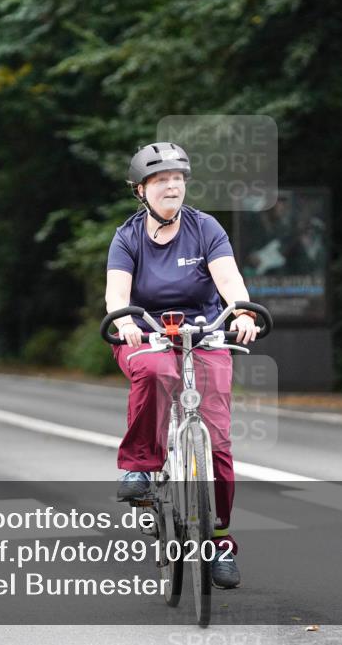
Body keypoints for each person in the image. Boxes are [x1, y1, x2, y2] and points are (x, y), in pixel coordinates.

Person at [105, 142, 259, 589]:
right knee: (158, 372)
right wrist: (127, 321)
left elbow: (229, 280)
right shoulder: (127, 237)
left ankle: (220, 541)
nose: (171, 186)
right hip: (145, 333)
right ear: (141, 190)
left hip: (203, 333)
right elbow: (116, 294)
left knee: (218, 442)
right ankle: (139, 466)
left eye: (177, 179)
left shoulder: (205, 228)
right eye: (160, 180)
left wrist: (242, 312)